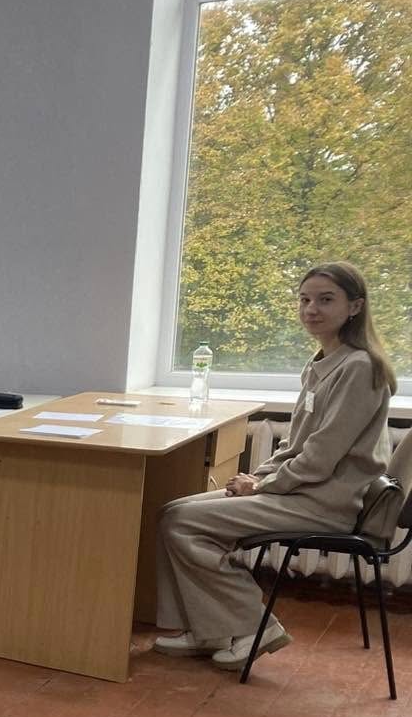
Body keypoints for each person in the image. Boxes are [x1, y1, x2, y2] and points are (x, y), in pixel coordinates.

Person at [155, 262, 394, 669]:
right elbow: (295, 444)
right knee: (171, 512)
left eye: (325, 300)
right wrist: (260, 476)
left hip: (324, 502)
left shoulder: (359, 367)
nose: (311, 309)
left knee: (183, 523)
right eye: (305, 300)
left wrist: (262, 487)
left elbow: (321, 457)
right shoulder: (322, 363)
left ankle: (254, 625)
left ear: (355, 306)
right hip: (301, 491)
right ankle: (210, 629)